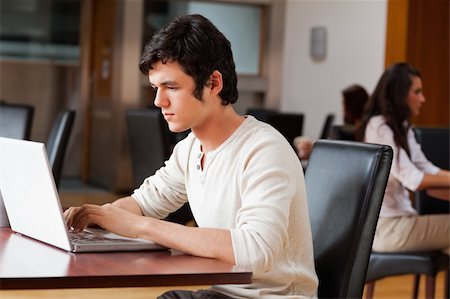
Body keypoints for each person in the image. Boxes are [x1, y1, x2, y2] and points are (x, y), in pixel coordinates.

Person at [64, 14, 318, 298]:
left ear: (213, 83)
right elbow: (143, 204)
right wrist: (97, 217)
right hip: (223, 293)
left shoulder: (263, 149)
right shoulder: (190, 148)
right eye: (156, 88)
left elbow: (255, 251)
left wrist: (141, 227)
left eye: (171, 87)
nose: (158, 101)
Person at [357, 62, 450, 255]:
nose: (423, 99)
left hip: (402, 222)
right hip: (387, 228)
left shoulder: (403, 127)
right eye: (417, 92)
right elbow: (414, 179)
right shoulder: (379, 127)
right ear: (399, 94)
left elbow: (427, 169)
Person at [294, 84, 369, 160]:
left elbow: (335, 156)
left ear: (351, 106)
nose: (342, 109)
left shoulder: (352, 132)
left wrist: (314, 151)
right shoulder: (364, 127)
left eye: (343, 104)